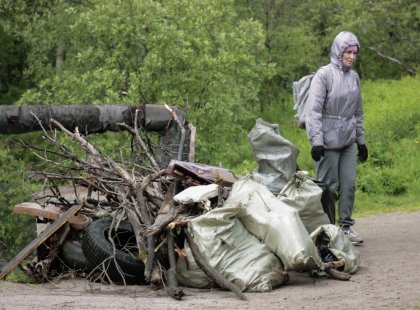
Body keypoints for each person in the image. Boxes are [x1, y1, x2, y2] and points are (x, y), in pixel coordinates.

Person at [305, 31, 368, 244]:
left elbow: (357, 112)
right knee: (328, 187)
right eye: (348, 52)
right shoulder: (324, 75)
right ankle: (328, 229)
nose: (351, 56)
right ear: (338, 52)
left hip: (348, 140)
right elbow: (312, 111)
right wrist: (316, 141)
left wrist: (361, 141)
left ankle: (346, 227)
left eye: (354, 53)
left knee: (349, 184)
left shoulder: (354, 77)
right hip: (327, 142)